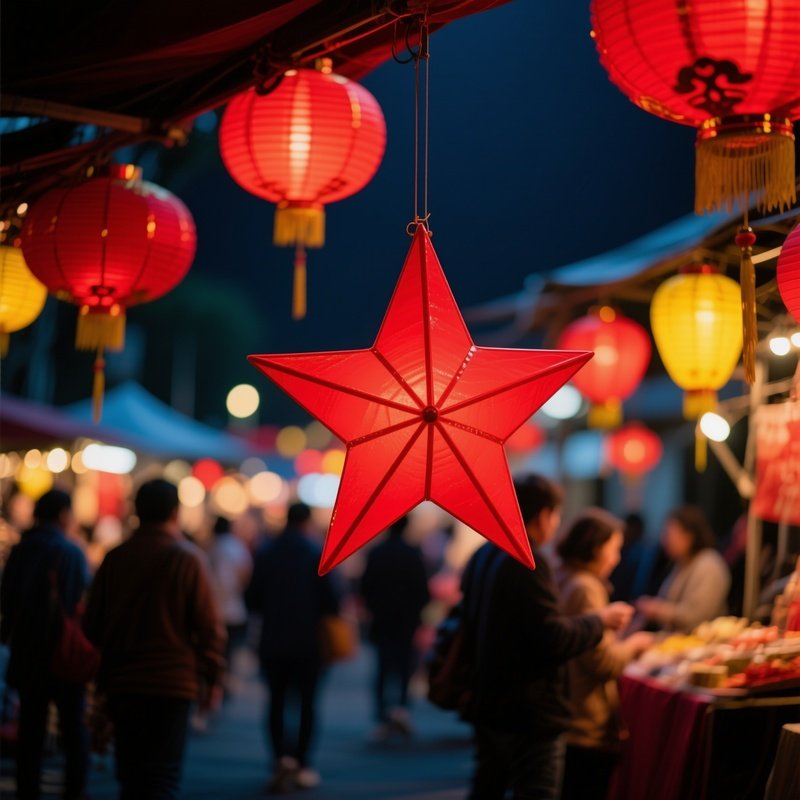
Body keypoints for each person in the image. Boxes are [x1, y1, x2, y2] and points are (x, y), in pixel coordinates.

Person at [460, 474, 633, 800]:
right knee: (536, 791)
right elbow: (551, 637)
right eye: (555, 515)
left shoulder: (485, 553)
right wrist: (598, 621)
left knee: (488, 786)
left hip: (489, 699)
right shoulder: (528, 558)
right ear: (543, 515)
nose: (555, 524)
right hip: (528, 709)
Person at [84, 479, 225, 800]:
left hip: (123, 681)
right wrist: (213, 677)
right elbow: (210, 630)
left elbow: (92, 625)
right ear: (175, 512)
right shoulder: (188, 560)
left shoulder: (115, 558)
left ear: (136, 511)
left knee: (131, 774)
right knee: (163, 774)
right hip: (173, 684)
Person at [555, 508, 654, 800]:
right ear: (596, 549)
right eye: (614, 549)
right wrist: (635, 644)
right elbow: (602, 662)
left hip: (567, 717)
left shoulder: (562, 575)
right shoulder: (586, 588)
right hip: (585, 723)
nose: (617, 558)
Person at [0, 489, 90, 800]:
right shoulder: (71, 551)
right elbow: (82, 599)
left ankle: (28, 791)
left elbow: (7, 599)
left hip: (27, 652)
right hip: (64, 653)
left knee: (31, 730)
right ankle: (74, 791)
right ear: (64, 514)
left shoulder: (21, 548)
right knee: (73, 729)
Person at [245, 502, 341, 793]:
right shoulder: (316, 554)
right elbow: (332, 603)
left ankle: (279, 759)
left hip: (273, 641)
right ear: (307, 523)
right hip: (309, 643)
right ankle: (302, 761)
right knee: (308, 704)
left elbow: (252, 599)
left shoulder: (267, 552)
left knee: (275, 701)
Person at [361, 515, 430, 740]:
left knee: (382, 667)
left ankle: (382, 715)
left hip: (382, 619)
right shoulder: (413, 554)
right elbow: (423, 590)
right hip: (407, 621)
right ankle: (401, 709)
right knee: (404, 667)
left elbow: (365, 586)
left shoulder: (376, 553)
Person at [635, 505, 731, 633]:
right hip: (680, 643)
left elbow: (698, 616)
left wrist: (657, 609)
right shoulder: (681, 563)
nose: (664, 540)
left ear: (689, 536)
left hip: (701, 644)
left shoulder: (708, 564)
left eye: (669, 534)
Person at [207, 515, 253, 694]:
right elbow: (246, 575)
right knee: (230, 651)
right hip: (234, 609)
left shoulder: (209, 548)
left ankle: (216, 683)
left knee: (215, 651)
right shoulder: (237, 548)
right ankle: (226, 682)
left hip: (212, 609)